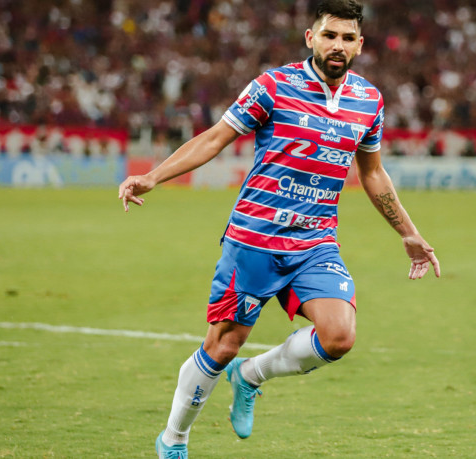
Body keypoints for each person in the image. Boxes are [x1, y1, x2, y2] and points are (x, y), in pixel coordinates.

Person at [117, 1, 440, 457]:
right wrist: (153, 176)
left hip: (314, 241)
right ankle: (174, 439)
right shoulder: (273, 86)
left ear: (360, 46)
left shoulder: (369, 100)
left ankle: (251, 376)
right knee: (223, 345)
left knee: (339, 336)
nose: (338, 46)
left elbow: (371, 173)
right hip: (254, 240)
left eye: (348, 39)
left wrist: (408, 233)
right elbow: (215, 138)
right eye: (329, 35)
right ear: (311, 37)